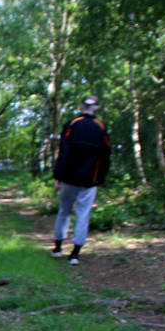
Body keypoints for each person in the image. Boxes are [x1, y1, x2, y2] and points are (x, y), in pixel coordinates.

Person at [50, 95, 111, 265]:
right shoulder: (101, 128)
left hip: (69, 178)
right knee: (83, 215)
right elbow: (106, 156)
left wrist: (58, 177)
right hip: (90, 180)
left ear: (81, 106)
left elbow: (63, 153)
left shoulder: (72, 124)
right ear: (96, 108)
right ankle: (75, 255)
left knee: (64, 211)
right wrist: (100, 178)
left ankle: (57, 248)